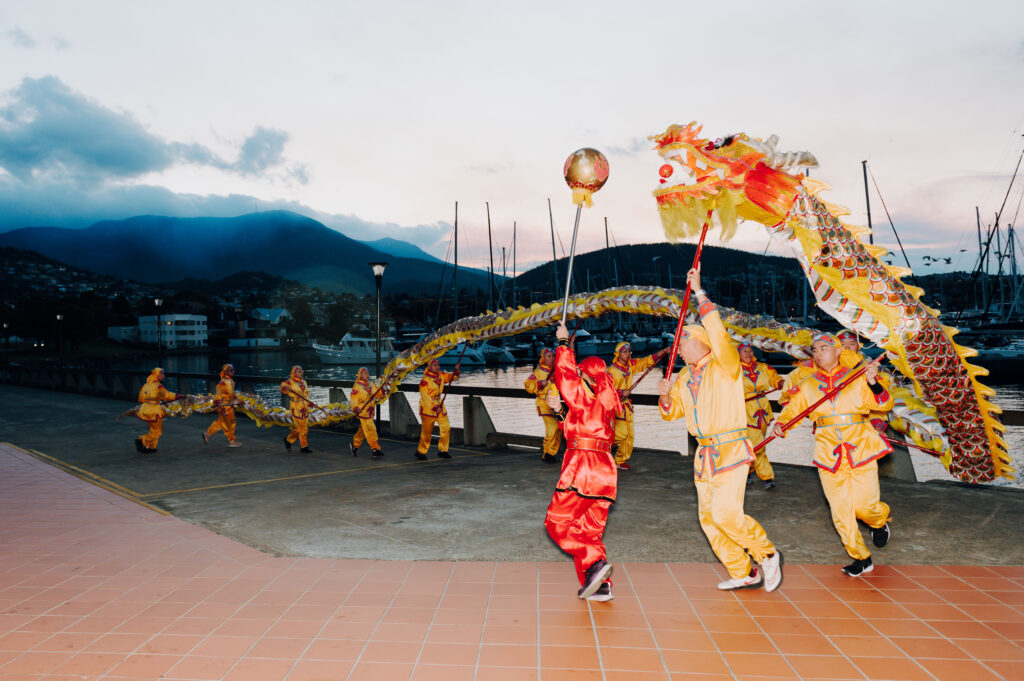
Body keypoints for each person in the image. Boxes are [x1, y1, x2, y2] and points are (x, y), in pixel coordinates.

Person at [658, 267, 782, 592]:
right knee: (709, 521)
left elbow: (718, 333)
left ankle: (766, 553)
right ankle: (743, 571)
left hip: (730, 448)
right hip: (705, 454)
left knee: (726, 513)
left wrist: (699, 292)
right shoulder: (685, 378)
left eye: (681, 339)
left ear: (699, 341)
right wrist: (665, 395)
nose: (676, 346)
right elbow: (672, 415)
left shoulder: (725, 364)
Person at [772, 333, 893, 577]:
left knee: (864, 507)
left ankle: (879, 522)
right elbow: (791, 412)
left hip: (860, 449)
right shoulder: (808, 385)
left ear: (838, 351)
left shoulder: (857, 377)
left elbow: (884, 404)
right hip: (828, 455)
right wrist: (781, 424)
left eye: (824, 348)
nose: (818, 352)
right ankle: (860, 556)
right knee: (840, 510)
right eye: (815, 349)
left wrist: (873, 382)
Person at [544, 320, 621, 601]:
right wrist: (562, 413)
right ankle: (599, 584)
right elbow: (585, 430)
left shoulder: (586, 398)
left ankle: (595, 563)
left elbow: (564, 376)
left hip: (584, 467)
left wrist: (563, 343)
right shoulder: (604, 402)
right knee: (588, 530)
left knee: (558, 523)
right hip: (605, 470)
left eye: (581, 374)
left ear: (586, 376)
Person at [608, 341, 670, 470]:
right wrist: (621, 392)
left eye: (629, 352)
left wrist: (663, 351)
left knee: (630, 435)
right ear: (617, 354)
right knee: (620, 434)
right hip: (616, 406)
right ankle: (604, 448)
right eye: (624, 352)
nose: (628, 354)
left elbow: (647, 361)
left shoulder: (631, 365)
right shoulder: (612, 371)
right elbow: (606, 390)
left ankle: (619, 460)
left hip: (627, 407)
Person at [739, 343, 782, 489]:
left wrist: (780, 382)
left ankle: (747, 472)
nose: (748, 353)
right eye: (744, 351)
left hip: (762, 407)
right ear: (738, 353)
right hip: (746, 408)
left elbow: (773, 378)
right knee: (758, 444)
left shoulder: (762, 367)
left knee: (755, 441)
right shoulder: (734, 369)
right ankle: (767, 476)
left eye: (750, 350)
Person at [836, 330, 891, 433]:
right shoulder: (829, 365)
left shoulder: (868, 366)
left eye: (852, 344)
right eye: (842, 344)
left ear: (858, 346)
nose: (847, 348)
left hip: (864, 416)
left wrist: (876, 424)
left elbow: (876, 397)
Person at [524, 348, 562, 463]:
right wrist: (541, 383)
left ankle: (551, 453)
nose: (551, 358)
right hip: (544, 403)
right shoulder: (538, 372)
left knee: (559, 428)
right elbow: (528, 386)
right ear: (543, 358)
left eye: (552, 356)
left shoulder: (556, 370)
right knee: (553, 427)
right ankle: (547, 452)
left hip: (556, 403)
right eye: (549, 356)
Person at [417, 359, 460, 460]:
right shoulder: (425, 380)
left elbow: (450, 377)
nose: (437, 367)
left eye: (438, 365)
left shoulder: (441, 375)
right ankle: (421, 452)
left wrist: (456, 371)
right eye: (435, 365)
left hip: (440, 406)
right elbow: (425, 396)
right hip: (428, 408)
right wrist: (434, 407)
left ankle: (443, 450)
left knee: (446, 427)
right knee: (427, 432)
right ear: (429, 367)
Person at [135, 367, 179, 454]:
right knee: (157, 431)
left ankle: (150, 447)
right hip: (154, 410)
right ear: (157, 375)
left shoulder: (146, 385)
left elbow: (140, 398)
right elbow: (166, 395)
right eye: (162, 374)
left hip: (145, 409)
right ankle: (142, 440)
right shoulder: (158, 386)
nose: (164, 376)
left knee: (153, 429)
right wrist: (177, 396)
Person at [204, 364, 242, 447]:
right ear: (226, 372)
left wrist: (236, 398)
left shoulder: (229, 381)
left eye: (233, 370)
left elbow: (230, 393)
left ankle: (208, 433)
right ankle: (231, 441)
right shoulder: (223, 382)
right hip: (224, 406)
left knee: (221, 422)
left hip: (228, 405)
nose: (233, 372)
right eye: (230, 370)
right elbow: (218, 393)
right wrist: (218, 404)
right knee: (229, 423)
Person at [349, 367, 383, 457]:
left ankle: (354, 446)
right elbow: (354, 399)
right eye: (365, 373)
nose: (367, 375)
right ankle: (375, 449)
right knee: (371, 430)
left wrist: (383, 388)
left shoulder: (371, 384)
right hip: (363, 412)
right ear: (360, 375)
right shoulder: (357, 386)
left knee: (363, 431)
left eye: (368, 373)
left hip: (370, 411)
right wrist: (355, 408)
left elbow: (379, 395)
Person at [280, 365, 314, 453]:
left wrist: (309, 402)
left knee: (303, 427)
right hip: (296, 407)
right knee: (300, 427)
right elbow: (282, 387)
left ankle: (296, 443)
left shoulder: (304, 382)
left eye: (301, 371)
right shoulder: (290, 382)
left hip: (304, 407)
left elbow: (306, 395)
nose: (301, 373)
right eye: (299, 371)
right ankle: (297, 444)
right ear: (294, 373)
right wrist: (285, 388)